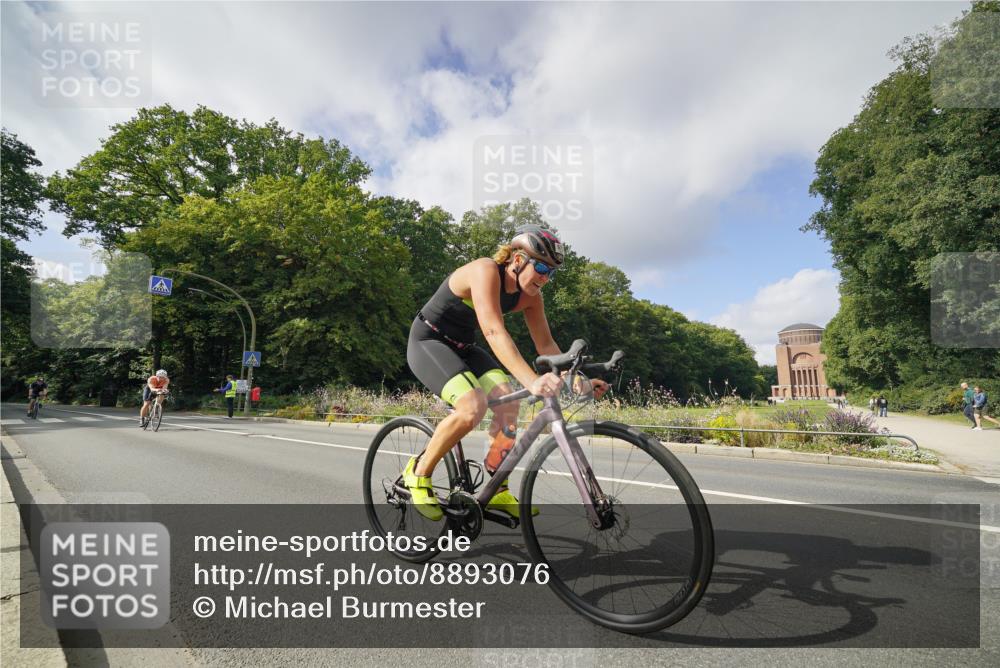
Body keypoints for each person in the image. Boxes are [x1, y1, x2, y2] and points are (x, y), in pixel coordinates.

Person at [404, 225, 609, 521]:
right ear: (516, 260)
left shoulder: (531, 297)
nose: (545, 278)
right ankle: (418, 473)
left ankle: (497, 488)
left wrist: (575, 379)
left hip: (464, 347)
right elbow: (492, 330)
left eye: (551, 272)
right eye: (540, 267)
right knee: (472, 406)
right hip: (429, 341)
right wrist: (532, 380)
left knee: (509, 403)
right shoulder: (484, 270)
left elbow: (547, 346)